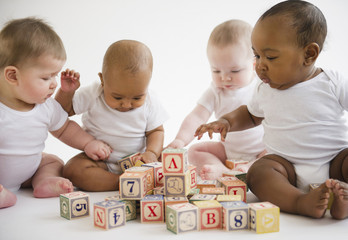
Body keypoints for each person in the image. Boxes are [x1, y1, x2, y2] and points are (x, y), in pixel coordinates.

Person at [195, 0, 348, 220]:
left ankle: (342, 200)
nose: (259, 65)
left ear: (309, 54)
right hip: (286, 169)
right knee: (258, 173)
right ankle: (299, 201)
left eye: (271, 57)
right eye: (256, 56)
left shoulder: (332, 82)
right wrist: (227, 121)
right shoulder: (264, 89)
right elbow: (250, 115)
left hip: (336, 162)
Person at [0, 18, 112, 209]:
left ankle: (45, 180)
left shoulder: (46, 107)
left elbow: (65, 129)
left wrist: (88, 143)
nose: (54, 83)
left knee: (52, 161)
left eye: (55, 75)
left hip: (28, 173)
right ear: (12, 76)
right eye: (45, 77)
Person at [55, 40, 169, 192]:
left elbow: (156, 131)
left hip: (140, 162)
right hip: (102, 162)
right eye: (117, 97)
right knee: (72, 170)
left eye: (136, 98)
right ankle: (122, 183)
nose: (127, 104)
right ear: (102, 81)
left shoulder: (150, 101)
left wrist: (151, 153)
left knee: (170, 158)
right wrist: (66, 92)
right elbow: (64, 110)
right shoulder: (94, 94)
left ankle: (141, 179)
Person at [167, 20, 265, 180]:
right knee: (194, 151)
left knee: (276, 154)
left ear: (253, 64)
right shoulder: (215, 91)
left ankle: (249, 168)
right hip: (228, 151)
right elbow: (197, 116)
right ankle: (220, 168)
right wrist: (180, 139)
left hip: (261, 149)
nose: (225, 77)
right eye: (216, 70)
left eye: (234, 70)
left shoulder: (261, 87)